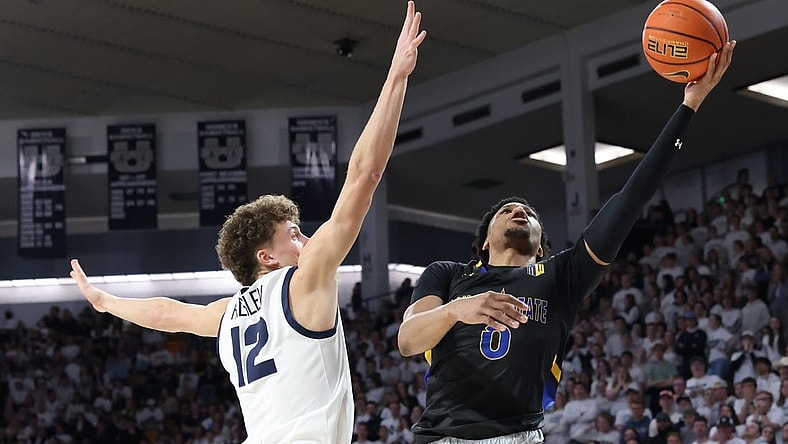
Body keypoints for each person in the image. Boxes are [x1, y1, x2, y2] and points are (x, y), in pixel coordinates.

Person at [68, 3, 427, 442]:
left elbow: (166, 313)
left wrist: (105, 302)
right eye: (294, 234)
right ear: (267, 256)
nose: (308, 239)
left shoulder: (224, 315)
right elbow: (364, 176)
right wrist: (396, 78)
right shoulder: (303, 281)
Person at [397, 40, 736, 443]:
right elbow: (408, 340)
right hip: (440, 436)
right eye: (506, 209)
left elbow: (632, 198)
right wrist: (457, 310)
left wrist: (690, 106)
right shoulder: (447, 275)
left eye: (529, 213)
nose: (518, 210)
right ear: (485, 242)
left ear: (541, 248)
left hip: (518, 435)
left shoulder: (562, 276)